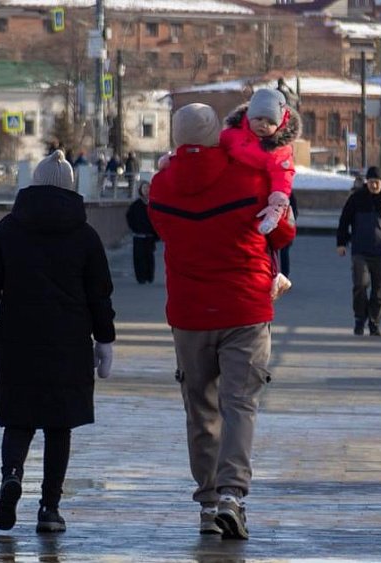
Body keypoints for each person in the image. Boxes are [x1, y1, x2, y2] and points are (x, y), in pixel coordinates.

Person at [147, 103, 296, 541]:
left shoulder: (161, 187)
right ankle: (232, 495)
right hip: (245, 310)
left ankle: (208, 502)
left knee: (201, 408)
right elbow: (283, 233)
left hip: (190, 313)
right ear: (219, 133)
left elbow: (161, 229)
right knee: (240, 404)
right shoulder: (250, 178)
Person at [0, 149, 116, 534]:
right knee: (58, 426)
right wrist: (105, 341)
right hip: (69, 344)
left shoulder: (8, 228)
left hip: (18, 340)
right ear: (71, 186)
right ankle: (50, 509)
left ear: (32, 183)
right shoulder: (85, 235)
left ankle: (12, 476)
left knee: (18, 421)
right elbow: (99, 294)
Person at [220, 88, 300, 234]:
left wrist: (278, 197)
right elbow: (212, 149)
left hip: (258, 200)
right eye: (259, 119)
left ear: (279, 124)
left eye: (270, 122)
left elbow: (282, 175)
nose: (263, 125)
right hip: (229, 196)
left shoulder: (277, 148)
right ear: (250, 116)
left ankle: (274, 213)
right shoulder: (232, 135)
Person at [335, 166, 381, 337]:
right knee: (360, 285)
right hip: (360, 252)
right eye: (371, 182)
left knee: (379, 291)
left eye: (377, 183)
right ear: (367, 182)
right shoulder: (356, 199)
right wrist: (341, 243)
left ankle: (374, 322)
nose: (374, 186)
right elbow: (344, 220)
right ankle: (359, 318)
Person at [126, 180, 158, 284]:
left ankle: (149, 276)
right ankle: (140, 277)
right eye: (144, 188)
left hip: (149, 236)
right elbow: (130, 218)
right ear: (140, 190)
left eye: (148, 188)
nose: (146, 190)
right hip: (138, 236)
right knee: (139, 257)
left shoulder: (153, 204)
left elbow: (157, 220)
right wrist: (135, 228)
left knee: (149, 256)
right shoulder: (136, 205)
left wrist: (156, 234)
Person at [278, 193, 299, 276]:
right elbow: (295, 212)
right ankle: (284, 275)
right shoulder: (289, 193)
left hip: (283, 226)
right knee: (284, 252)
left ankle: (282, 275)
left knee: (282, 252)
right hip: (285, 226)